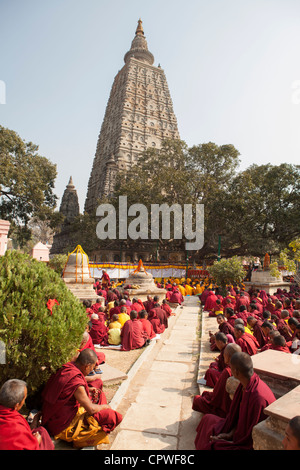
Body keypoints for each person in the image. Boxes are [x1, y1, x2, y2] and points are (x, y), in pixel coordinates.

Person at [194, 351, 276, 450]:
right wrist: (229, 434)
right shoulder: (245, 384)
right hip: (236, 432)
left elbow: (249, 438)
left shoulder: (258, 398)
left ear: (236, 372)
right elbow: (240, 419)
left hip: (245, 444)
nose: (229, 370)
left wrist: (230, 440)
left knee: (213, 446)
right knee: (207, 419)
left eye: (231, 368)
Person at [41, 349, 122, 448]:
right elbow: (91, 409)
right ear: (87, 366)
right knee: (113, 416)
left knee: (99, 394)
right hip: (61, 425)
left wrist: (88, 389)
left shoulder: (68, 367)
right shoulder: (75, 379)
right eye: (91, 368)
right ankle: (78, 440)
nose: (91, 371)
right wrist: (105, 406)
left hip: (51, 416)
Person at [0, 379, 54, 450]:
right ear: (16, 405)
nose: (24, 402)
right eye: (24, 399)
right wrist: (36, 441)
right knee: (42, 434)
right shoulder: (16, 427)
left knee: (40, 430)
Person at [193, 344, 242, 418]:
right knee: (205, 394)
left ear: (228, 356)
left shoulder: (227, 372)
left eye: (224, 354)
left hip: (225, 409)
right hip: (235, 407)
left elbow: (216, 396)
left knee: (197, 399)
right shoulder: (242, 367)